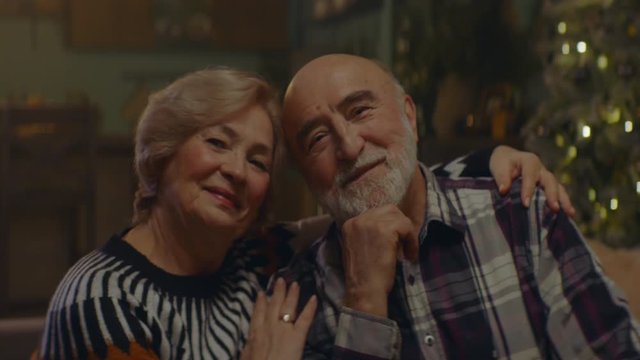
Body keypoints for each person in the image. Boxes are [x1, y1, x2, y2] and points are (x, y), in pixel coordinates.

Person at [36, 67, 572, 360]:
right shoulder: (102, 300)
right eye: (217, 142)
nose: (238, 171)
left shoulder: (255, 258)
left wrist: (492, 163)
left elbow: (380, 190)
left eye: (257, 160)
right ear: (161, 152)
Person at [276, 54, 640, 359]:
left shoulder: (522, 215)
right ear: (305, 175)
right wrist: (364, 300)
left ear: (410, 117)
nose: (350, 146)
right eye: (317, 138)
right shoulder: (294, 299)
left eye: (360, 111)